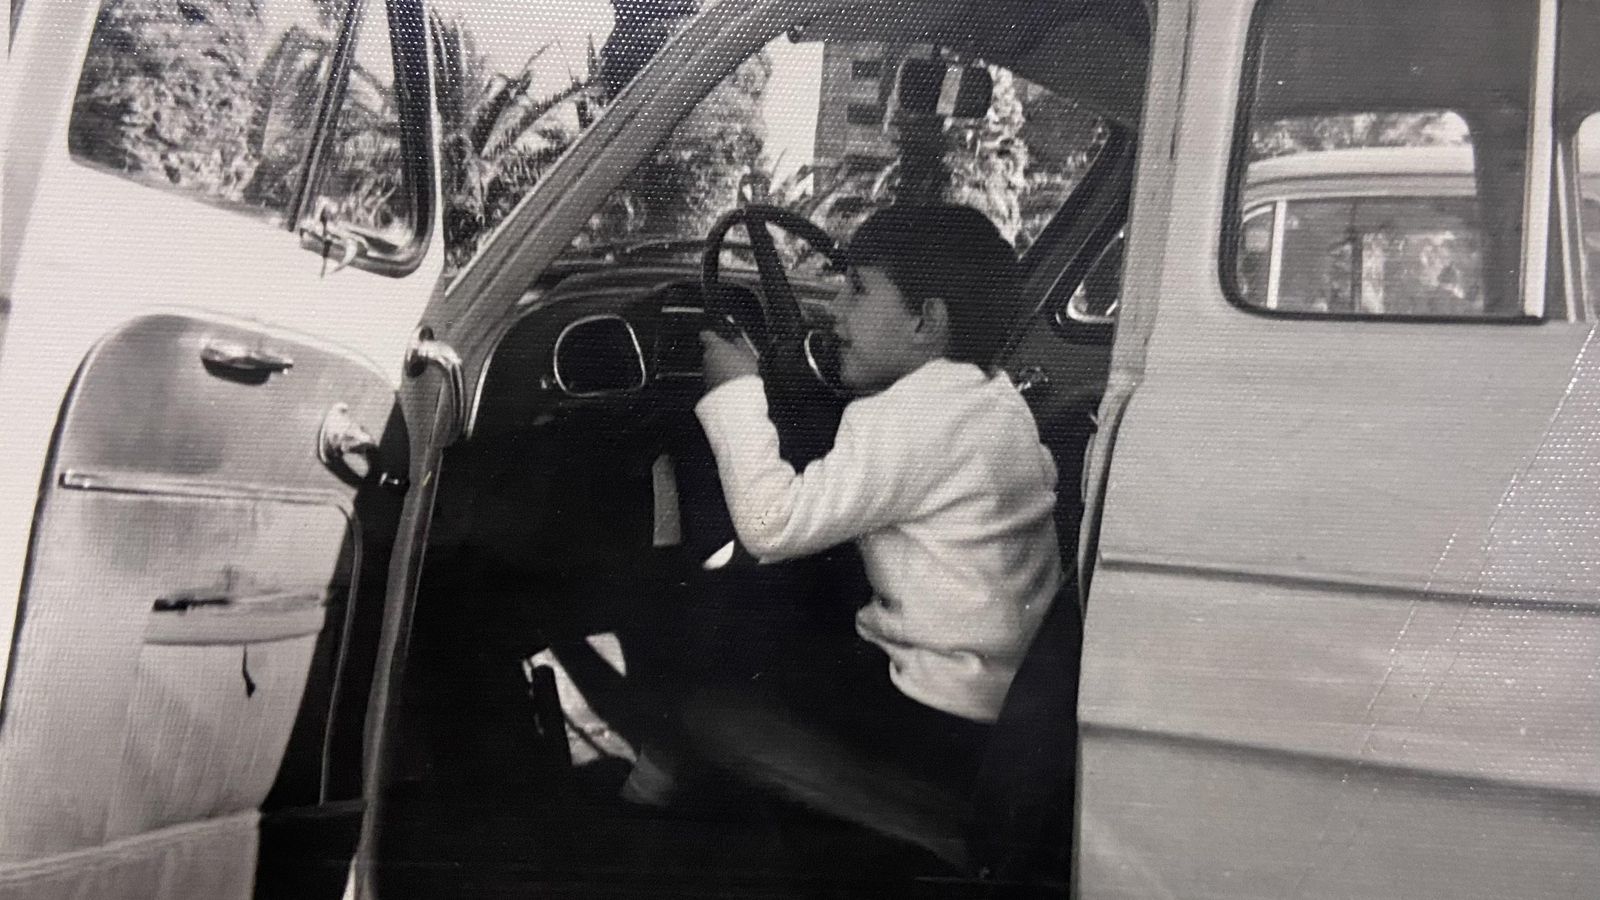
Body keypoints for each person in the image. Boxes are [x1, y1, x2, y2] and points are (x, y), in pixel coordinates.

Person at [667, 203, 1064, 799]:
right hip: (999, 703)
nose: (834, 308)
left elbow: (769, 526)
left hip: (933, 713)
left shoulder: (907, 418)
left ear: (925, 323)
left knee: (711, 624)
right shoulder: (994, 398)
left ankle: (655, 793)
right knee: (781, 597)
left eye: (857, 290)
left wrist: (738, 391)